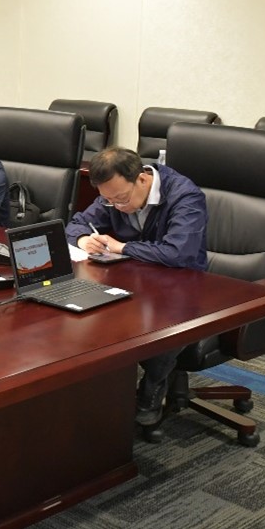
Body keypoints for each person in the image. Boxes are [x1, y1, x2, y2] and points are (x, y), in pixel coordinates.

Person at [65, 146, 209, 426]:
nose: (116, 206)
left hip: (183, 287)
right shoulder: (114, 194)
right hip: (138, 279)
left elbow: (178, 252)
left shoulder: (185, 197)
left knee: (163, 329)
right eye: (108, 200)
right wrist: (83, 239)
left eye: (121, 198)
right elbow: (77, 224)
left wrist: (121, 247)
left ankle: (151, 391)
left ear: (142, 179)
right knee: (89, 317)